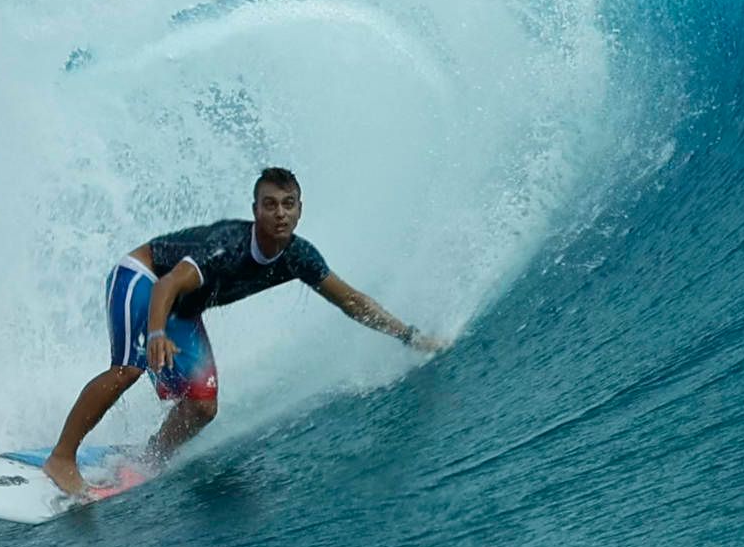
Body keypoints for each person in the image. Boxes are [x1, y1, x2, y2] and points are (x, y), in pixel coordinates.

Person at [42, 165, 446, 498]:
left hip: (182, 309)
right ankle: (62, 457)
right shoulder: (227, 247)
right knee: (127, 369)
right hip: (144, 277)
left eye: (289, 205)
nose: (280, 213)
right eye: (270, 205)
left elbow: (352, 301)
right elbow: (167, 285)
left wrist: (409, 336)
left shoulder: (299, 256)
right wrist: (157, 333)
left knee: (202, 407)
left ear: (301, 210)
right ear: (255, 210)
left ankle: (149, 459)